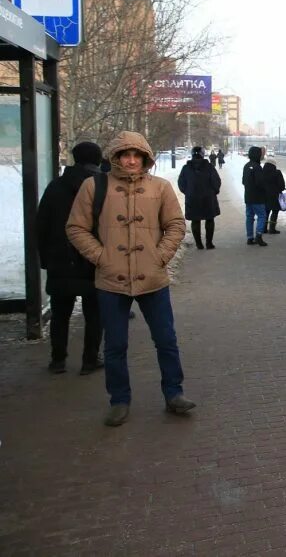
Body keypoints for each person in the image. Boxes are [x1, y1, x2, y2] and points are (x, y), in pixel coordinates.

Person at [66, 130, 193, 427]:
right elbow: (76, 228)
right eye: (125, 154)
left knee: (166, 340)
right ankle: (119, 400)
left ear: (146, 157)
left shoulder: (160, 188)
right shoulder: (93, 186)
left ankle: (174, 394)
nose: (132, 160)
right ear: (116, 157)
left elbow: (175, 225)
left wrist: (159, 256)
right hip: (112, 280)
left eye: (137, 155)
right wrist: (102, 257)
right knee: (115, 345)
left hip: (152, 278)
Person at [36, 141, 104, 375]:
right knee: (94, 314)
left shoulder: (55, 187)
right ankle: (89, 359)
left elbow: (41, 226)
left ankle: (58, 360)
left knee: (60, 314)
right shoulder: (101, 187)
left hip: (60, 260)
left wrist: (46, 259)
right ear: (97, 160)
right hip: (92, 261)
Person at [177, 146, 221, 250]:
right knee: (209, 219)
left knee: (195, 220)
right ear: (202, 154)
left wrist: (188, 192)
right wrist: (214, 191)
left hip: (192, 198)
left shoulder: (186, 168)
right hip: (208, 198)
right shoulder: (209, 167)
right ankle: (209, 243)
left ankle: (199, 244)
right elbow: (216, 181)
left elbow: (181, 183)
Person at [242, 146, 268, 246]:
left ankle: (249, 238)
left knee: (249, 217)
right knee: (262, 216)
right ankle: (259, 236)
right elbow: (260, 183)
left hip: (248, 196)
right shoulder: (257, 167)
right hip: (258, 197)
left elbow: (243, 181)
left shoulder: (246, 166)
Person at [261, 159, 286, 235]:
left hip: (264, 196)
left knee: (265, 212)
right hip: (275, 196)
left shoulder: (261, 173)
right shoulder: (277, 173)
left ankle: (264, 228)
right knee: (275, 212)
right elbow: (282, 186)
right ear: (274, 165)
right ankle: (272, 229)